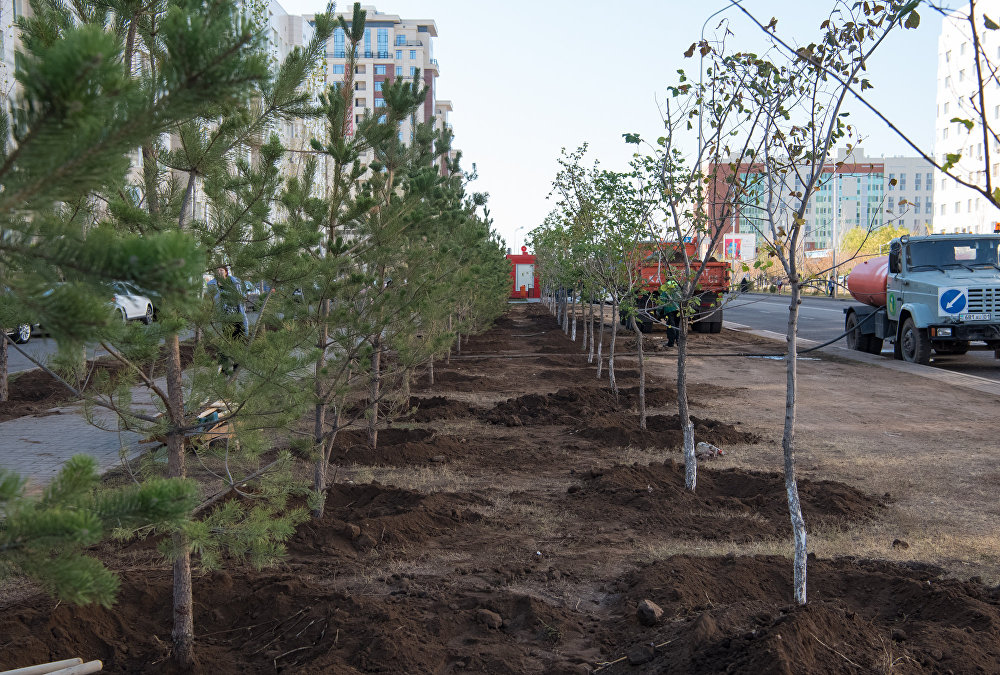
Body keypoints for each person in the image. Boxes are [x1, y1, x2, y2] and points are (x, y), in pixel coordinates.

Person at [207, 266, 248, 374]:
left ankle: (236, 365)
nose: (219, 272)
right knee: (224, 343)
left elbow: (242, 296)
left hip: (237, 317)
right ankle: (225, 368)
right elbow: (209, 299)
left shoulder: (235, 283)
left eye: (221, 270)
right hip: (223, 319)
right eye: (217, 271)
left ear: (226, 272)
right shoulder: (212, 285)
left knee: (237, 341)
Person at [660, 279, 680, 348]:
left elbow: (662, 301)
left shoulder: (666, 289)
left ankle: (671, 343)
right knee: (678, 325)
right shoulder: (678, 288)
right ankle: (679, 342)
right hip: (679, 310)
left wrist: (658, 311)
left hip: (669, 310)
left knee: (670, 326)